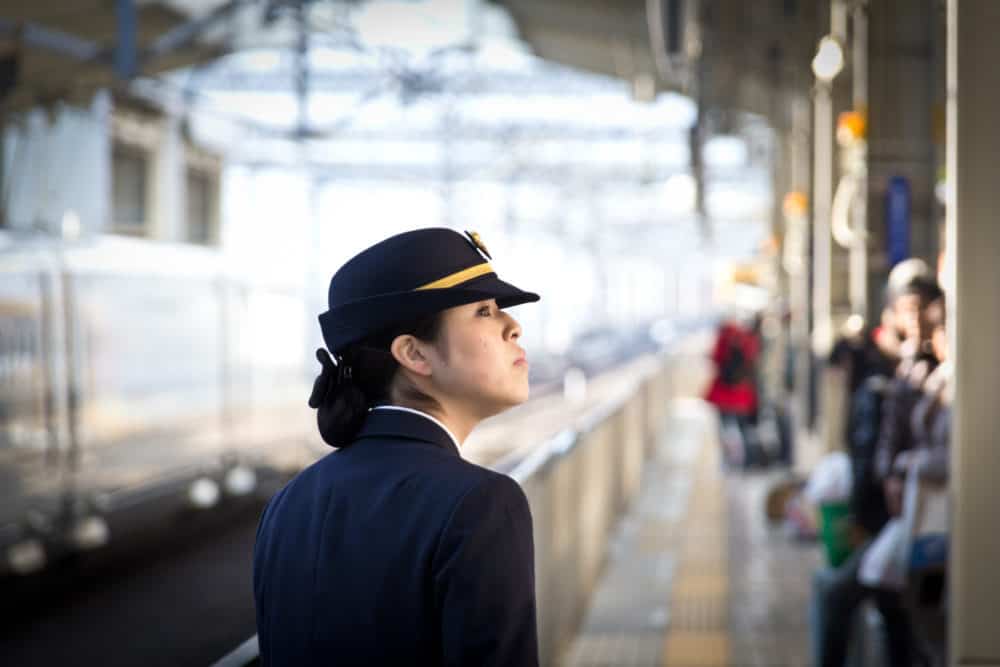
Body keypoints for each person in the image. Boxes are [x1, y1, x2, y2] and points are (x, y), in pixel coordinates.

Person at [253, 228, 541, 666]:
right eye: (484, 311)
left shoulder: (288, 504)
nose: (514, 326)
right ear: (414, 354)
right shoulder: (480, 505)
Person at [815, 275, 945, 667]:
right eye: (908, 310)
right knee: (894, 614)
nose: (917, 320)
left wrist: (899, 469)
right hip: (901, 514)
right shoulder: (904, 369)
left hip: (921, 518)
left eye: (926, 311)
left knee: (842, 597)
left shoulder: (933, 373)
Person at [706, 314, 763, 467]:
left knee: (725, 429)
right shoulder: (745, 337)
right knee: (744, 428)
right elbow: (754, 358)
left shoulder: (723, 337)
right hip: (742, 392)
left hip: (723, 393)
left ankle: (729, 459)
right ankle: (750, 460)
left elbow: (715, 358)